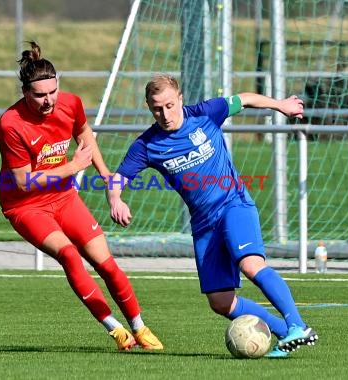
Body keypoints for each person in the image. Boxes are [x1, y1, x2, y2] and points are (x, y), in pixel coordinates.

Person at [106, 74, 318, 358]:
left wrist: (280, 105)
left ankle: (297, 325)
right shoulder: (147, 145)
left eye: (170, 105)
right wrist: (115, 199)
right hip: (204, 224)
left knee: (251, 265)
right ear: (148, 106)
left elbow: (244, 99)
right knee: (220, 302)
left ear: (180, 99)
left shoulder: (205, 113)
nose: (165, 114)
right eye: (157, 108)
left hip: (234, 205)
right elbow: (118, 178)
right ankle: (286, 333)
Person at [0, 41, 163, 350]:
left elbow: (86, 138)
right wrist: (72, 166)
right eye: (40, 95)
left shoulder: (71, 103)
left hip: (63, 197)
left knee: (106, 263)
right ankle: (115, 330)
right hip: (25, 205)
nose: (49, 101)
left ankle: (139, 328)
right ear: (24, 93)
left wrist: (108, 181)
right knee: (69, 255)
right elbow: (22, 183)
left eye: (52, 92)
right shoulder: (10, 124)